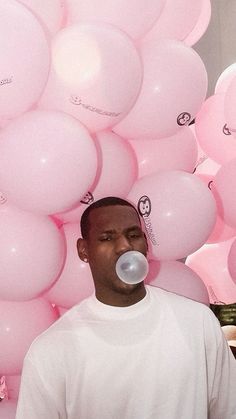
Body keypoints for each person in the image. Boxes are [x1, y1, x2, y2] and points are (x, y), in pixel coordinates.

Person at [16, 196, 236, 419]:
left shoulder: (198, 322)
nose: (124, 246)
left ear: (145, 244)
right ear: (84, 250)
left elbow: (229, 410)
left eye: (133, 235)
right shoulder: (51, 350)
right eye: (107, 238)